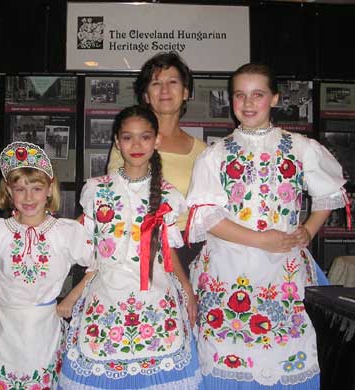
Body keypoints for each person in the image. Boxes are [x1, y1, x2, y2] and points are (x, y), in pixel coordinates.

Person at [185, 63, 348, 389]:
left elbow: (330, 195)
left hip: (280, 270)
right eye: (239, 95)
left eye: (257, 94)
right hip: (227, 270)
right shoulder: (214, 155)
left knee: (283, 355)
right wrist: (262, 240)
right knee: (224, 356)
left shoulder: (301, 148)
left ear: (275, 98)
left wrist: (308, 230)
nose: (247, 103)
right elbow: (208, 218)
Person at [59, 105, 202, 389]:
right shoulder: (96, 190)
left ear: (156, 140)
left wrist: (187, 288)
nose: (136, 145)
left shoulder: (169, 194)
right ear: (116, 141)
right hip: (106, 294)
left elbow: (168, 250)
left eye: (145, 137)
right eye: (127, 137)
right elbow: (80, 240)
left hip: (156, 295)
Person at [0, 141, 96, 389]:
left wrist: (71, 299)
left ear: (49, 189)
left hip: (44, 325)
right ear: (9, 192)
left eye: (36, 188)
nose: (28, 197)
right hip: (5, 324)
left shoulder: (66, 232)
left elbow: (97, 264)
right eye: (20, 189)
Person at [107, 52, 207, 276]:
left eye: (172, 82)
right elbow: (118, 197)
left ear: (186, 92)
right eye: (156, 83)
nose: (164, 90)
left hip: (191, 248)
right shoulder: (130, 144)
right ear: (145, 95)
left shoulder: (204, 152)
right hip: (140, 244)